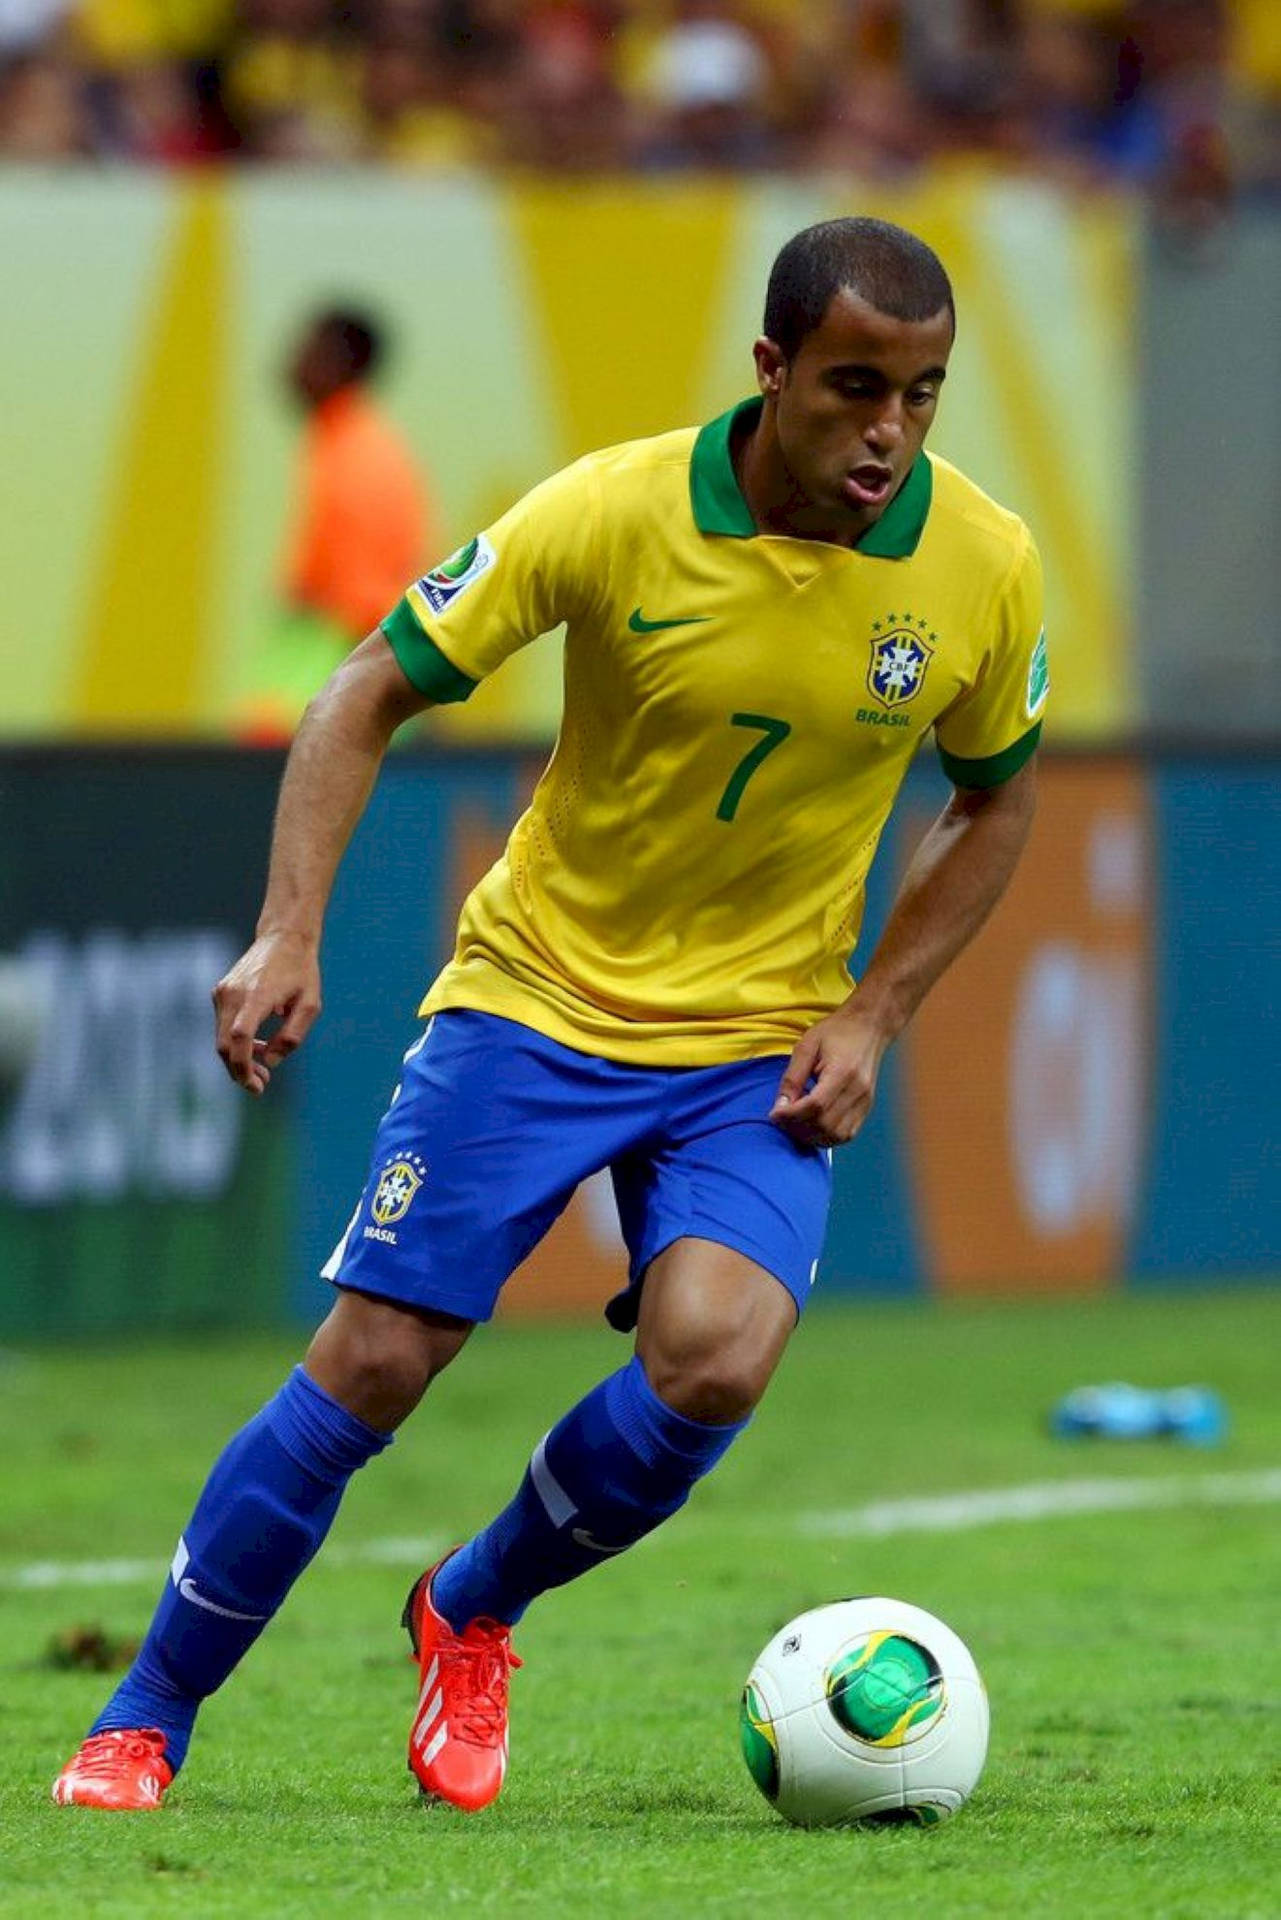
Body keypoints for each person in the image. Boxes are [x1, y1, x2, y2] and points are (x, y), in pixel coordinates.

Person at [53, 216, 1046, 1814]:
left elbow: (994, 801)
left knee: (715, 1359)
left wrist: (872, 1013)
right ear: (772, 368)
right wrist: (287, 929)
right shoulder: (612, 510)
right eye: (855, 388)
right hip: (540, 997)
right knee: (378, 1357)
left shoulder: (982, 563)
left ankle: (474, 1603)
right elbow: (366, 683)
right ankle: (146, 1714)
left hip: (755, 1038)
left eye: (923, 395)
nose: (889, 432)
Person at [236, 307, 440, 741]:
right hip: (334, 664)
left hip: (340, 670)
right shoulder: (337, 442)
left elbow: (364, 602)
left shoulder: (361, 455)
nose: (289, 364)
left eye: (304, 350)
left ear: (339, 364)